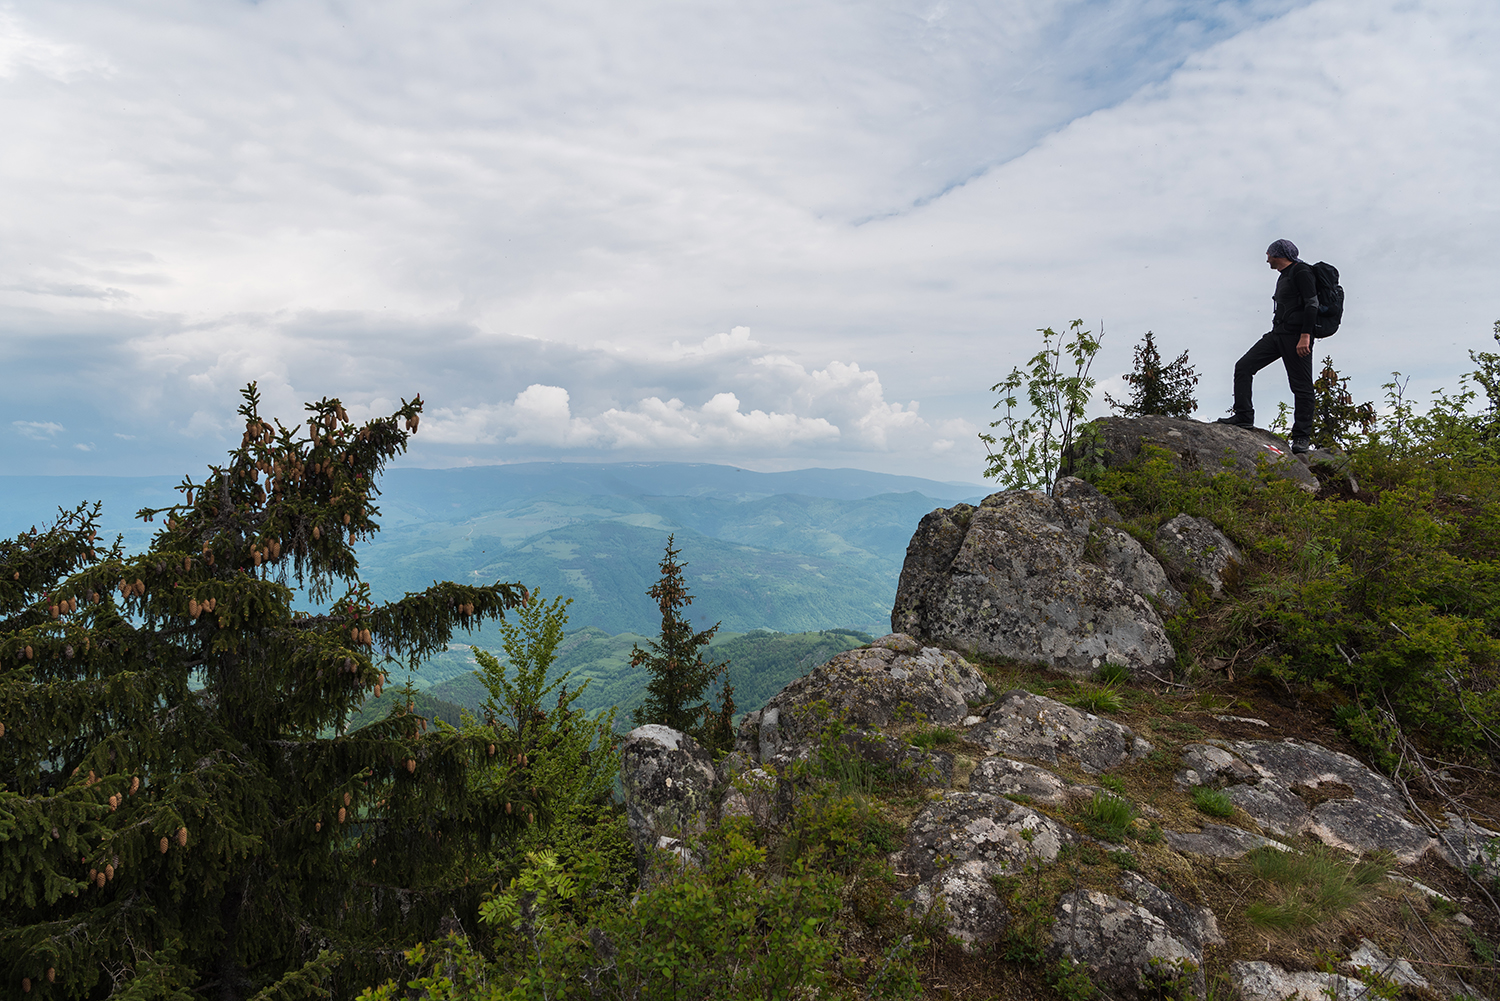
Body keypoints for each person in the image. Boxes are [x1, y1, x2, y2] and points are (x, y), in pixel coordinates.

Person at [1216, 238, 1318, 454]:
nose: (1267, 258)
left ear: (1278, 254)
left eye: (1269, 254)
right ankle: (1244, 416)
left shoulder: (1302, 272)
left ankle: (1301, 437)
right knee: (1243, 366)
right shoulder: (1284, 275)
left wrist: (1305, 336)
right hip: (1278, 334)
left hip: (1297, 337)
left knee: (1301, 387)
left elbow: (1312, 304)